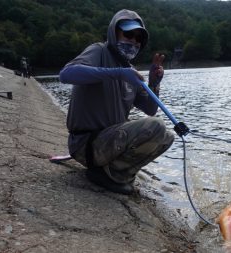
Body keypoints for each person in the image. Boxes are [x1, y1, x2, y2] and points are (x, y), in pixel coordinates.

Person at [59, 9, 174, 195]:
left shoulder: (130, 71)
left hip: (109, 143)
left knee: (167, 137)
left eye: (139, 39)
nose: (134, 41)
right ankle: (105, 174)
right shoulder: (99, 51)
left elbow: (150, 109)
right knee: (157, 127)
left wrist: (154, 84)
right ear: (114, 32)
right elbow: (66, 74)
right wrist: (117, 73)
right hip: (86, 144)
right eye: (128, 34)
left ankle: (113, 173)